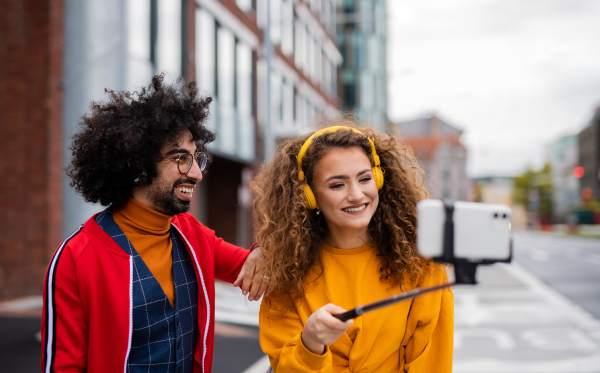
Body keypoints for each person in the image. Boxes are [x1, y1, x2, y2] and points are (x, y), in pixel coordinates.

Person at [41, 74, 270, 373]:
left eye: (195, 158)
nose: (197, 174)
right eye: (180, 158)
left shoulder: (192, 235)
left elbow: (259, 266)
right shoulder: (75, 259)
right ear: (138, 165)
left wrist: (264, 251)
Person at [251, 120, 454, 372]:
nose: (357, 194)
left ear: (379, 179)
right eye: (337, 184)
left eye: (364, 178)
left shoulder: (421, 262)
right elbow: (284, 365)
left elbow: (432, 362)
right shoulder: (286, 273)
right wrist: (310, 343)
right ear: (309, 195)